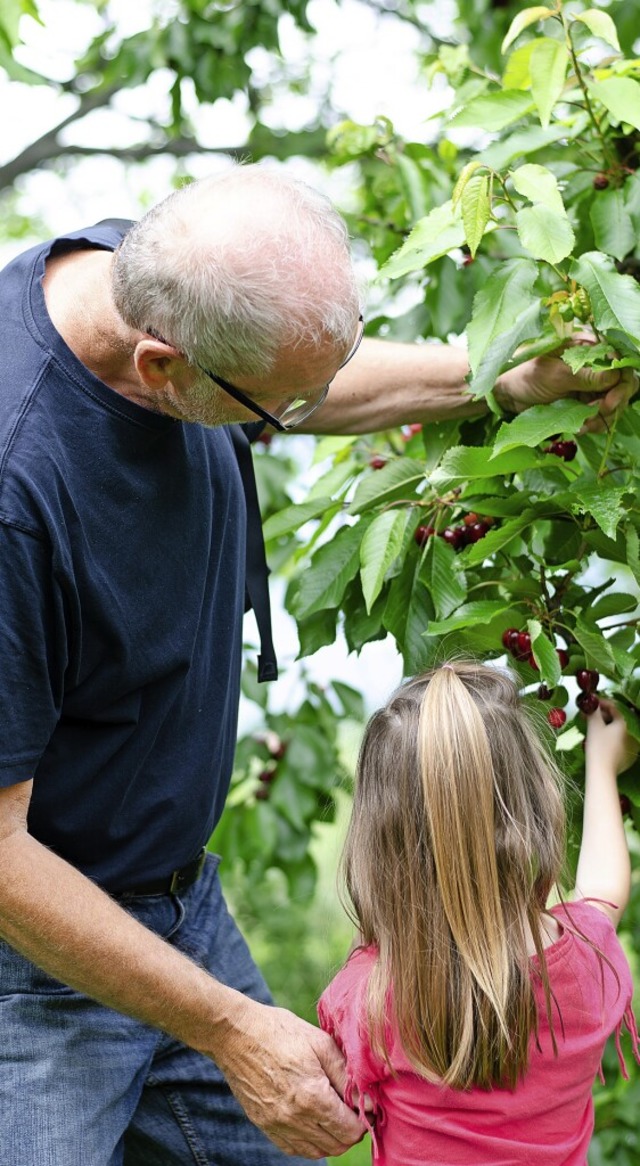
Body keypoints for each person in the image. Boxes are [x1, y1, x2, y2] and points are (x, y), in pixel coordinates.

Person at [0, 164, 633, 1166]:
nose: (295, 417)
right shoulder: (15, 489)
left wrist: (501, 375)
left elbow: (291, 376)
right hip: (36, 959)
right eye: (282, 412)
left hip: (177, 901)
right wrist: (231, 1028)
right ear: (164, 366)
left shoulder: (167, 268)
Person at [318, 662, 640, 1165]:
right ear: (535, 809)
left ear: (378, 849)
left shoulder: (367, 1000)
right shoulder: (585, 965)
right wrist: (601, 764)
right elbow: (603, 891)